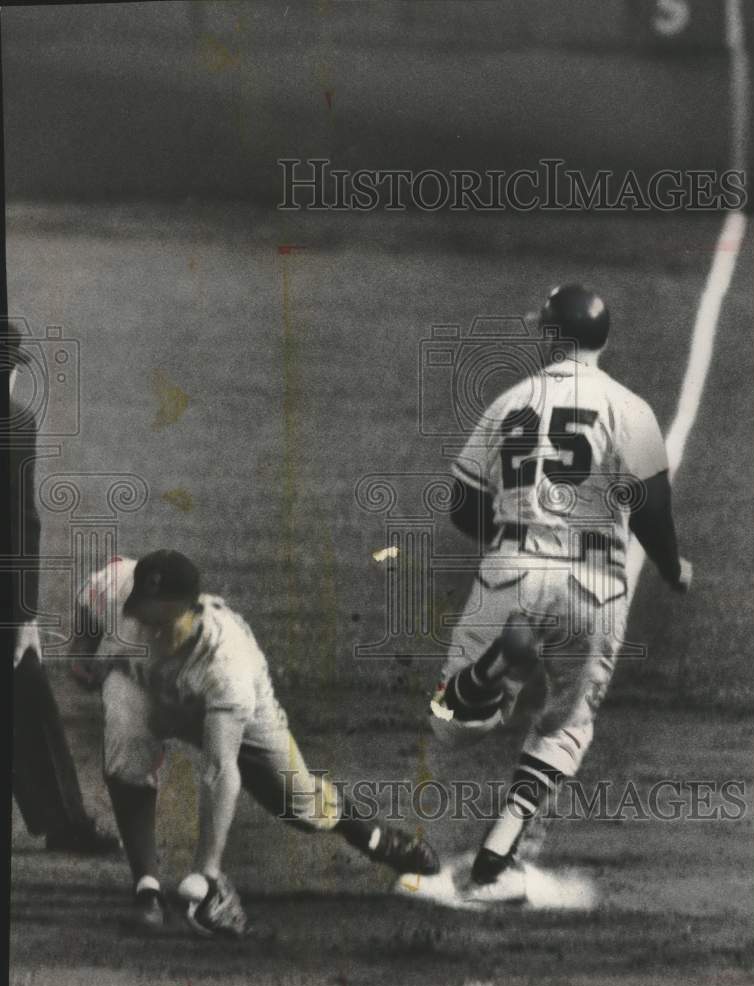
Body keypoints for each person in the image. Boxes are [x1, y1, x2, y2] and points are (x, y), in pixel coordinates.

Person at [422, 284, 691, 904]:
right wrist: (673, 570)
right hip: (595, 585)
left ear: (550, 336)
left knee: (450, 726)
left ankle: (493, 668)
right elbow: (651, 511)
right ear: (603, 340)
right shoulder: (630, 408)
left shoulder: (509, 403)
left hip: (512, 569)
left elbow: (463, 502)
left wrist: (509, 543)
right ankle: (495, 864)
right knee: (567, 726)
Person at [70, 550, 439, 933]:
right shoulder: (118, 590)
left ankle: (371, 835)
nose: (145, 622)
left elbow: (219, 770)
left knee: (300, 805)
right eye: (140, 609)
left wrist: (206, 871)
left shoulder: (228, 662)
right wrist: (80, 653)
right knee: (124, 735)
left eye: (158, 616)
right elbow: (89, 596)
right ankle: (146, 888)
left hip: (230, 712)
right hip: (148, 693)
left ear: (188, 610)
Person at [4, 321, 118, 854]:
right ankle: (65, 821)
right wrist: (25, 616)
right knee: (26, 695)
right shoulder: (13, 422)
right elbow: (20, 522)